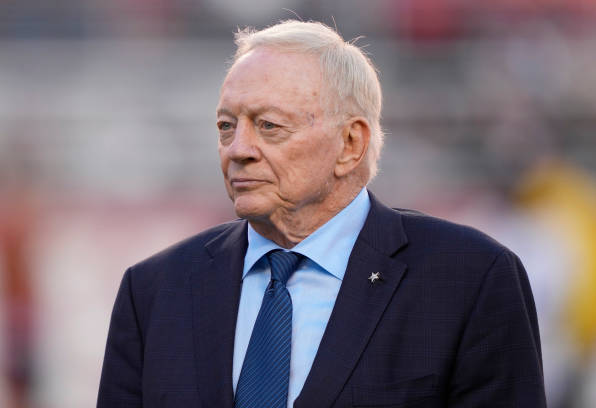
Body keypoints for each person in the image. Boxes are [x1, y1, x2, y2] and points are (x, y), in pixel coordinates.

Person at [97, 20, 546, 408]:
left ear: (350, 144)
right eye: (226, 126)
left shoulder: (469, 278)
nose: (238, 150)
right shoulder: (156, 291)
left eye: (269, 126)